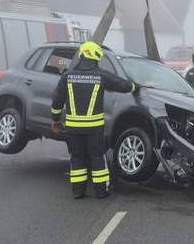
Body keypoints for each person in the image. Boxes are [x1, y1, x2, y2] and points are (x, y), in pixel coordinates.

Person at [51, 41, 138, 199]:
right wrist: (134, 87)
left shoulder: (67, 76)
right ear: (96, 56)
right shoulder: (101, 76)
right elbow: (122, 85)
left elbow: (57, 101)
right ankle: (100, 191)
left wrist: (55, 120)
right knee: (97, 157)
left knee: (77, 157)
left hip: (73, 128)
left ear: (82, 55)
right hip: (94, 128)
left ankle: (78, 191)